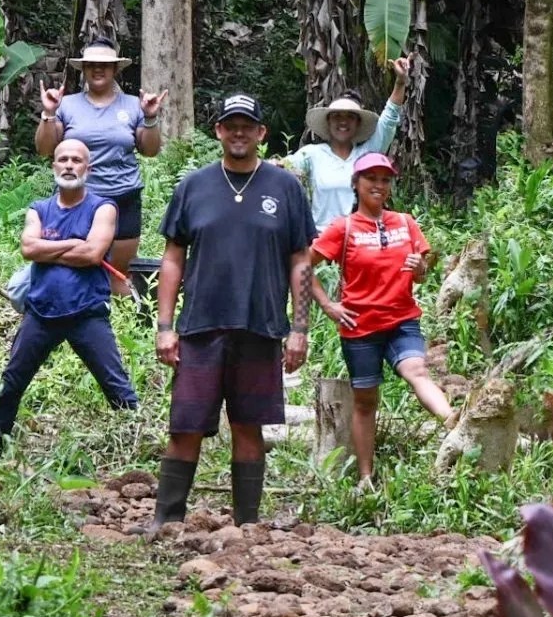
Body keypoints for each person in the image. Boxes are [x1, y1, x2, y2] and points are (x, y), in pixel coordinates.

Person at [150, 93, 315, 532]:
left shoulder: (285, 189)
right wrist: (165, 326)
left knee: (249, 427)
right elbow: (172, 259)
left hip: (259, 328)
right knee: (185, 426)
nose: (238, 132)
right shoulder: (194, 186)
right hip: (200, 327)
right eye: (230, 124)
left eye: (247, 125)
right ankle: (166, 520)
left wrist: (299, 328)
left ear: (261, 133)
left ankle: (248, 525)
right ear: (219, 131)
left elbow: (301, 260)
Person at [308, 153, 455, 485]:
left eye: (385, 179)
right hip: (359, 328)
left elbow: (421, 275)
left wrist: (422, 269)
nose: (379, 185)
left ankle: (453, 422)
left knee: (416, 370)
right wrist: (328, 305)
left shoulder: (405, 223)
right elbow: (304, 265)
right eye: (371, 178)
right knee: (365, 401)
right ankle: (366, 478)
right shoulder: (342, 228)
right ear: (357, 184)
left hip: (402, 320)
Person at [0, 138, 141, 452]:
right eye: (63, 159)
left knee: (117, 388)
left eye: (76, 160)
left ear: (88, 168)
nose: (69, 165)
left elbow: (94, 253)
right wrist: (75, 244)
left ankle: (139, 448)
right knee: (11, 383)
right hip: (40, 313)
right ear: (54, 165)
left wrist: (50, 250)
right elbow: (28, 248)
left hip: (87, 313)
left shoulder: (103, 207)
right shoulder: (38, 209)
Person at [35, 42, 166, 278]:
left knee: (118, 273)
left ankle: (117, 314)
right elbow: (45, 149)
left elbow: (150, 150)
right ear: (83, 69)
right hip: (76, 198)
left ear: (115, 70)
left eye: (105, 65)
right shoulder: (67, 104)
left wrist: (150, 117)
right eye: (91, 65)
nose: (98, 70)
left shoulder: (133, 105)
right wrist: (49, 113)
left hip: (123, 196)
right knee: (72, 269)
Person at [285, 58, 412, 229]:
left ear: (358, 124)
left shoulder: (367, 154)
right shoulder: (311, 154)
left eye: (350, 117)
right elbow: (284, 169)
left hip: (360, 240)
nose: (343, 122)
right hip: (323, 241)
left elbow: (389, 119)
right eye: (337, 116)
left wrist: (400, 81)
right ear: (328, 122)